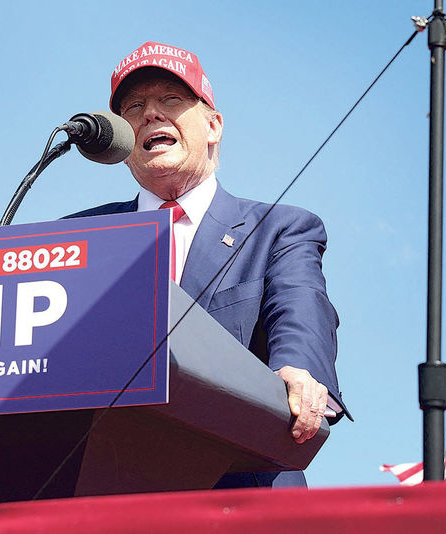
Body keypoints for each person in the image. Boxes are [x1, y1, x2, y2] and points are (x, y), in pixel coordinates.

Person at [66, 41, 351, 488]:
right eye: (134, 107)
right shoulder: (76, 237)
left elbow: (301, 310)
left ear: (214, 125)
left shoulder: (280, 229)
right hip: (101, 489)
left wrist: (298, 370)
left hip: (236, 487)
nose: (151, 114)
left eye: (171, 100)